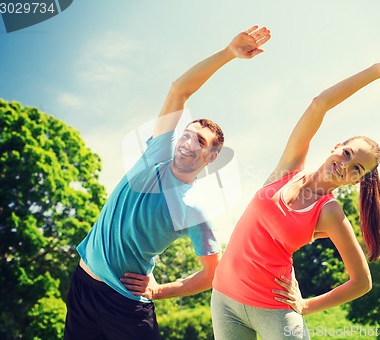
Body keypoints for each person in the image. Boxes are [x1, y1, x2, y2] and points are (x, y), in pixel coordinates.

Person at [210, 45, 380, 339]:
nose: (345, 165)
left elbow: (361, 281)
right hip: (224, 299)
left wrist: (306, 305)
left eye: (356, 169)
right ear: (335, 147)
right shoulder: (288, 169)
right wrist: (377, 71)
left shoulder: (330, 212)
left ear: (355, 182)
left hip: (275, 309)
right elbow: (320, 103)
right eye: (346, 154)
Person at [63, 25, 271, 340]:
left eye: (199, 141)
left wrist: (160, 290)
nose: (188, 142)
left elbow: (212, 273)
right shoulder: (154, 155)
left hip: (126, 306)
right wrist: (229, 53)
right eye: (186, 134)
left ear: (211, 156)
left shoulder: (194, 210)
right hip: (82, 287)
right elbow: (179, 89)